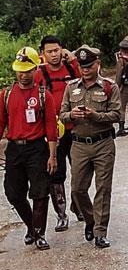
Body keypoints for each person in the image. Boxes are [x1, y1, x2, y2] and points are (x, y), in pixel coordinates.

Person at [59, 46, 120, 249]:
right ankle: (91, 220)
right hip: (79, 144)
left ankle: (100, 232)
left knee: (103, 189)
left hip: (103, 143)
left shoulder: (109, 87)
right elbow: (62, 114)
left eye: (89, 65)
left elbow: (117, 115)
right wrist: (71, 116)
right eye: (82, 66)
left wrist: (96, 116)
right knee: (77, 189)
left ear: (98, 64)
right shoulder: (71, 87)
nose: (85, 70)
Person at [2, 48, 58, 250]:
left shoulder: (44, 95)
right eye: (19, 71)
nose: (22, 75)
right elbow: (0, 124)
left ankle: (40, 233)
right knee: (13, 192)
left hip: (37, 148)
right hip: (15, 149)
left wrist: (52, 155)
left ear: (35, 69)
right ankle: (31, 226)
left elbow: (51, 128)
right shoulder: (6, 95)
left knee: (40, 193)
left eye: (26, 70)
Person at [37, 35, 80, 232]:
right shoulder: (38, 74)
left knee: (80, 170)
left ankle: (79, 205)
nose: (54, 55)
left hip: (76, 128)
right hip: (53, 133)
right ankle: (61, 214)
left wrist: (73, 58)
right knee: (56, 173)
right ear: (42, 54)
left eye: (57, 50)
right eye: (49, 52)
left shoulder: (72, 68)